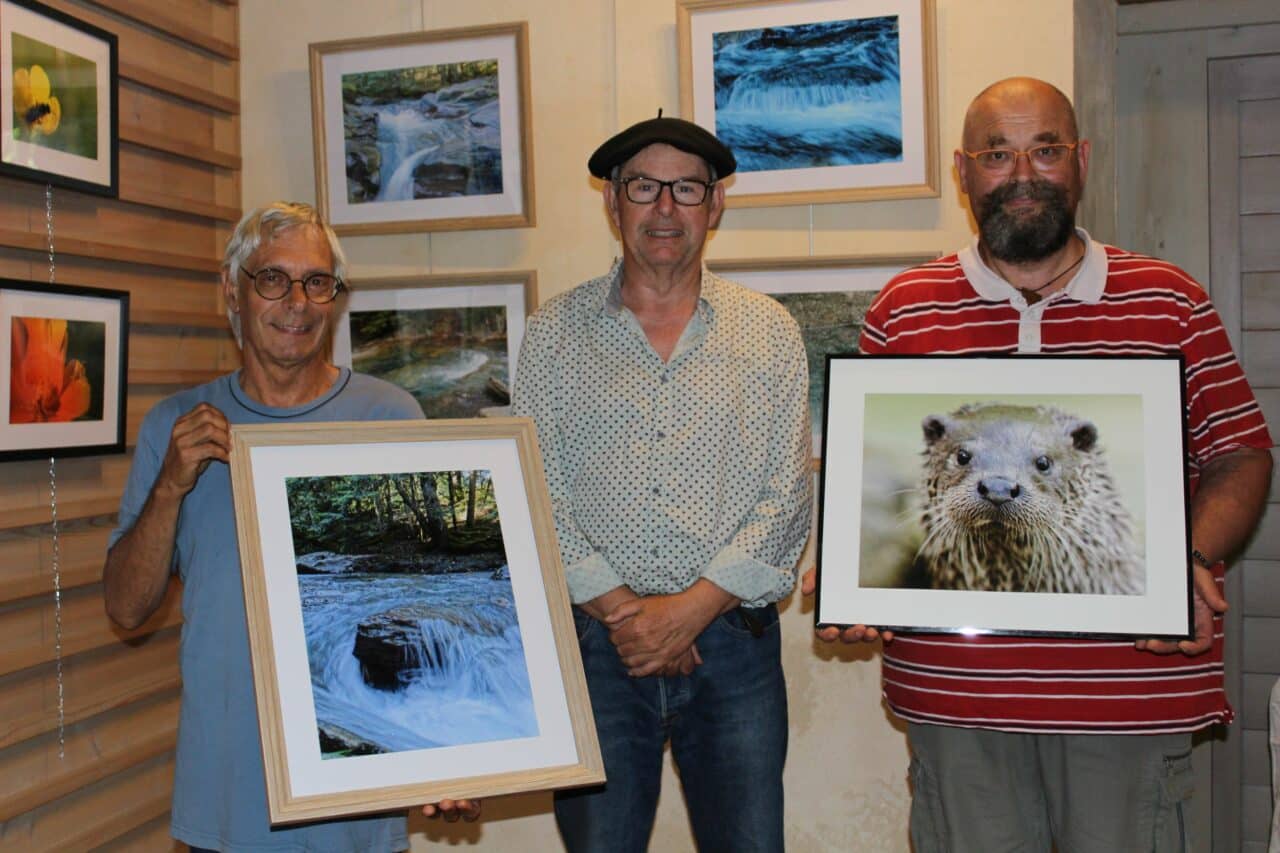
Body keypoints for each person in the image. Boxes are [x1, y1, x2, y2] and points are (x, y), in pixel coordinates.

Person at [806, 76, 1274, 852]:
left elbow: (1241, 454)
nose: (1023, 173)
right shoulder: (905, 308)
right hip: (958, 701)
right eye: (997, 153)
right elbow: (884, 486)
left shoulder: (1168, 299)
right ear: (963, 171)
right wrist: (864, 569)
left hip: (1126, 696)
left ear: (1081, 160)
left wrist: (1186, 562)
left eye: (1045, 149)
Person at [103, 202, 478, 852]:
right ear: (233, 289)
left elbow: (431, 610)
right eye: (272, 279)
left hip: (355, 799)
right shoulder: (176, 424)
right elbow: (126, 607)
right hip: (224, 800)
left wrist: (446, 751)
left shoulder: (389, 417)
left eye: (316, 281)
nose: (296, 302)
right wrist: (169, 486)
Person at [511, 116, 811, 852]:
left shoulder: (769, 331)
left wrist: (688, 612)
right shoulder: (553, 333)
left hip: (733, 646)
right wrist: (627, 615)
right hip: (596, 650)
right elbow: (534, 492)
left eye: (686, 188)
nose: (665, 209)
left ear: (715, 206)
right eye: (645, 187)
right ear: (613, 202)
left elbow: (786, 494)